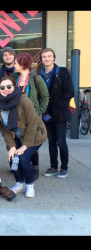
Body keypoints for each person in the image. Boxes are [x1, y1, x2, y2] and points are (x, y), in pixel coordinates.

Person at [0, 76, 47, 198]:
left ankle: (30, 185)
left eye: (9, 86)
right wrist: (11, 146)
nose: (6, 89)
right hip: (17, 135)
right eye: (3, 87)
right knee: (12, 156)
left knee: (23, 158)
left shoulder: (23, 100)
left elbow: (32, 125)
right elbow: (4, 129)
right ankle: (19, 183)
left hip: (35, 134)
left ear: (14, 87)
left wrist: (25, 146)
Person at [12, 53, 49, 180]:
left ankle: (35, 169)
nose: (13, 65)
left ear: (22, 64)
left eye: (16, 63)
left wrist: (39, 112)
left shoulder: (36, 79)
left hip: (33, 118)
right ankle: (23, 168)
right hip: (19, 119)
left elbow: (45, 97)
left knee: (32, 143)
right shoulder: (14, 79)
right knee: (21, 143)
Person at [39, 48, 74, 178]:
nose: (47, 58)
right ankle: (53, 166)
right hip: (46, 115)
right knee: (51, 141)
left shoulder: (62, 72)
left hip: (60, 114)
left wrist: (58, 107)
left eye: (49, 56)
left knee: (61, 141)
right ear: (41, 59)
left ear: (53, 58)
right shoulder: (40, 75)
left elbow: (69, 92)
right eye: (44, 56)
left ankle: (64, 168)